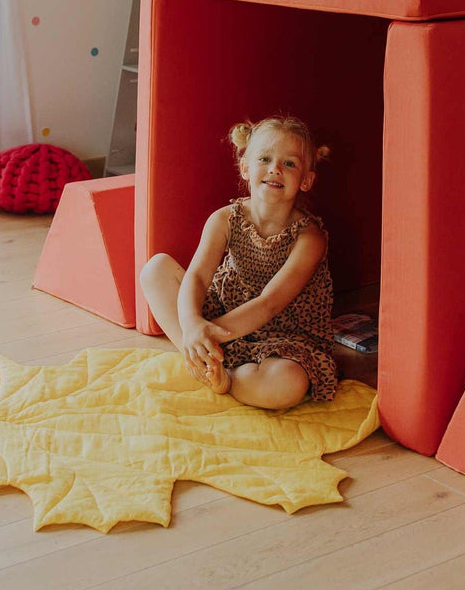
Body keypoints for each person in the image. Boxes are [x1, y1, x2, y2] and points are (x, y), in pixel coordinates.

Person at [139, 116, 337, 410]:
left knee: (288, 383)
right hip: (223, 315)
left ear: (306, 180)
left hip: (281, 338)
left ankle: (226, 379)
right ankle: (198, 355)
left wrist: (209, 332)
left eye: (290, 164)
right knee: (155, 269)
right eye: (265, 158)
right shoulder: (224, 219)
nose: (275, 169)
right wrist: (193, 324)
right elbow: (197, 277)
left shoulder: (310, 238)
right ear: (245, 168)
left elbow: (269, 303)